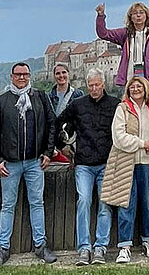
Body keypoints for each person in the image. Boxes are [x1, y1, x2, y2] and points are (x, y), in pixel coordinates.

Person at [0, 63, 57, 266]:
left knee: (37, 203)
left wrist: (48, 152)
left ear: (29, 76)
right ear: (11, 76)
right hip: (9, 163)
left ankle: (41, 246)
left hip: (35, 161)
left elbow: (51, 123)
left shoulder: (40, 97)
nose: (21, 77)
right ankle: (3, 249)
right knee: (7, 206)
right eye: (18, 74)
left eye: (25, 74)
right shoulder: (2, 101)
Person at [56, 69, 120, 266]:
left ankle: (100, 247)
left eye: (97, 85)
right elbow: (58, 123)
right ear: (87, 85)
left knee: (104, 205)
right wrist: (62, 146)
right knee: (83, 201)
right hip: (83, 163)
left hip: (106, 163)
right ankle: (84, 248)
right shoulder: (78, 104)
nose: (93, 88)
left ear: (103, 84)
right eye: (90, 85)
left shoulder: (115, 104)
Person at [101, 77, 149, 264]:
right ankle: (124, 246)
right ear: (127, 90)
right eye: (132, 87)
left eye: (139, 86)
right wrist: (144, 144)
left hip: (148, 162)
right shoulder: (123, 108)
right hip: (127, 162)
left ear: (146, 89)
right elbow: (119, 138)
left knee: (147, 203)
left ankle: (148, 241)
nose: (136, 89)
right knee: (126, 204)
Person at [96, 2, 149, 89]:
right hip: (129, 80)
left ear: (146, 15)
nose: (138, 15)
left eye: (141, 12)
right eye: (135, 13)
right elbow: (103, 34)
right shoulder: (125, 33)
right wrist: (100, 16)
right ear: (131, 17)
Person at [49, 63, 84, 163]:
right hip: (55, 143)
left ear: (69, 74)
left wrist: (69, 145)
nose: (61, 76)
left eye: (64, 72)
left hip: (72, 142)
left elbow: (80, 122)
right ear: (54, 76)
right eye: (58, 73)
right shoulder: (49, 96)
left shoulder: (78, 94)